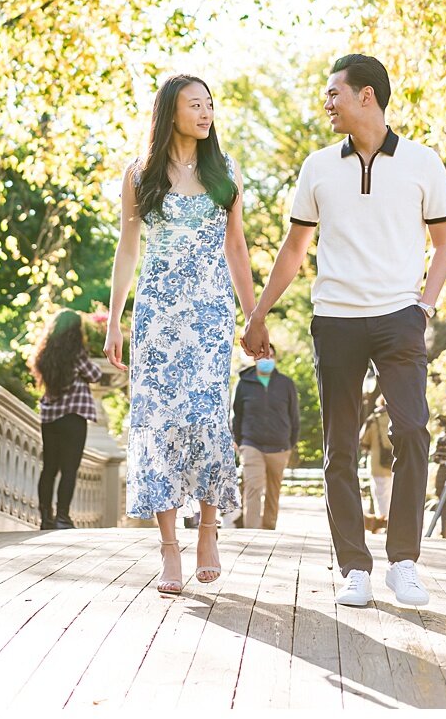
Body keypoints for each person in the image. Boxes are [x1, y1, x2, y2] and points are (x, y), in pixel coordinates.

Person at [244, 54, 446, 609]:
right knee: (339, 446)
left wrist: (424, 307)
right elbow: (294, 249)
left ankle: (403, 561)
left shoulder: (423, 163)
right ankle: (354, 567)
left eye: (334, 92)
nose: (326, 102)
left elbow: (443, 243)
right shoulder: (317, 166)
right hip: (335, 319)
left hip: (399, 319)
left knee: (412, 431)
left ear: (367, 96)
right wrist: (259, 313)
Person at [105, 75, 250, 594]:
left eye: (210, 104)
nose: (206, 113)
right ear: (171, 113)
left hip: (210, 314)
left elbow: (237, 246)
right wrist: (117, 316)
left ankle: (208, 531)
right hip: (158, 317)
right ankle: (168, 548)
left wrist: (252, 314)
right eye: (195, 105)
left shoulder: (225, 170)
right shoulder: (140, 174)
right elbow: (128, 248)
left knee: (207, 417)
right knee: (158, 422)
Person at [31, 310, 104, 530]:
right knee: (69, 468)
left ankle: (46, 517)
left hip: (51, 418)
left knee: (49, 468)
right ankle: (63, 516)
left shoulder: (45, 355)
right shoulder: (76, 354)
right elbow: (95, 375)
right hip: (73, 416)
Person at [232, 356, 299, 530]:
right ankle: (251, 531)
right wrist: (239, 440)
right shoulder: (244, 383)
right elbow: (236, 414)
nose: (266, 360)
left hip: (280, 445)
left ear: (276, 358)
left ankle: (269, 529)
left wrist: (290, 444)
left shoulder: (286, 384)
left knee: (273, 491)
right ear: (255, 359)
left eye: (270, 356)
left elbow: (294, 416)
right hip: (251, 443)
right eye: (262, 356)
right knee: (253, 487)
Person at [359, 392, 393, 529]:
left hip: (377, 463)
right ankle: (394, 523)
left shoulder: (373, 419)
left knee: (380, 494)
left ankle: (382, 524)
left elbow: (363, 440)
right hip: (396, 462)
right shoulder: (398, 417)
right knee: (394, 494)